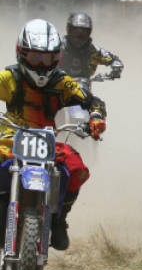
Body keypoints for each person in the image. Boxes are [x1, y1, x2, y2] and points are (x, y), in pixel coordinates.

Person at [0, 19, 107, 250]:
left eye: (48, 58)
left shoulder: (62, 82)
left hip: (47, 140)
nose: (41, 65)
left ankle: (59, 220)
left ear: (57, 57)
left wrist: (97, 117)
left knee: (77, 169)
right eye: (35, 57)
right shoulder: (10, 78)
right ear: (21, 53)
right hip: (9, 138)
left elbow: (93, 101)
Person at [60, 12, 123, 79]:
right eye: (75, 32)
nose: (78, 37)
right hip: (56, 86)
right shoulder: (57, 48)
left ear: (89, 32)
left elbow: (114, 59)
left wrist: (116, 69)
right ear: (68, 29)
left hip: (82, 87)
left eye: (84, 33)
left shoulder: (93, 50)